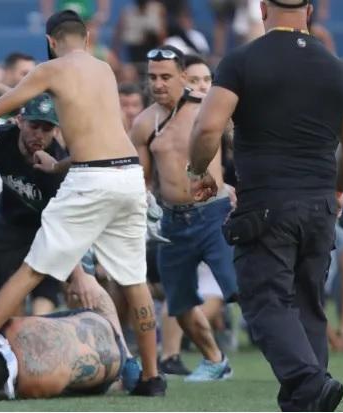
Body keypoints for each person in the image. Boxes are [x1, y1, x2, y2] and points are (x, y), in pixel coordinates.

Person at [0, 10, 165, 397]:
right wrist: (59, 164)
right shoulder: (105, 70)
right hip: (128, 175)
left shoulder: (49, 69)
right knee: (134, 280)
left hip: (92, 179)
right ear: (87, 38)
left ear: (52, 42)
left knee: (31, 270)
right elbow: (106, 138)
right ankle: (153, 377)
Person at [187, 0, 343, 410]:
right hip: (321, 204)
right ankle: (308, 398)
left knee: (265, 299)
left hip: (267, 202)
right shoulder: (341, 70)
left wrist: (199, 170)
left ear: (264, 9)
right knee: (308, 304)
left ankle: (309, 381)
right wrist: (338, 188)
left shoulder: (242, 61)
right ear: (309, 9)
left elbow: (208, 125)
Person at [130, 46, 236, 382]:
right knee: (178, 302)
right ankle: (216, 361)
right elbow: (143, 178)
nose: (158, 84)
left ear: (182, 77)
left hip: (214, 213)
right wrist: (145, 205)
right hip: (172, 220)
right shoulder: (145, 122)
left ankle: (291, 359)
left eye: (165, 77)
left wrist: (238, 186)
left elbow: (244, 146)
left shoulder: (207, 108)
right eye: (152, 77)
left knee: (242, 289)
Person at [0, 94, 68, 316]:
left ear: (55, 131)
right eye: (34, 126)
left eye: (47, 129)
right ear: (19, 121)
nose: (39, 135)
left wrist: (81, 275)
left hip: (44, 231)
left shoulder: (57, 164)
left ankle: (28, 340)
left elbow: (65, 223)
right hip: (4, 218)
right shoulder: (1, 138)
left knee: (40, 291)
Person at [0, 274, 138, 399]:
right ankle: (128, 364)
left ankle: (126, 367)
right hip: (98, 319)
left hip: (112, 364)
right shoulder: (16, 328)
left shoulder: (31, 387)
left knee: (75, 373)